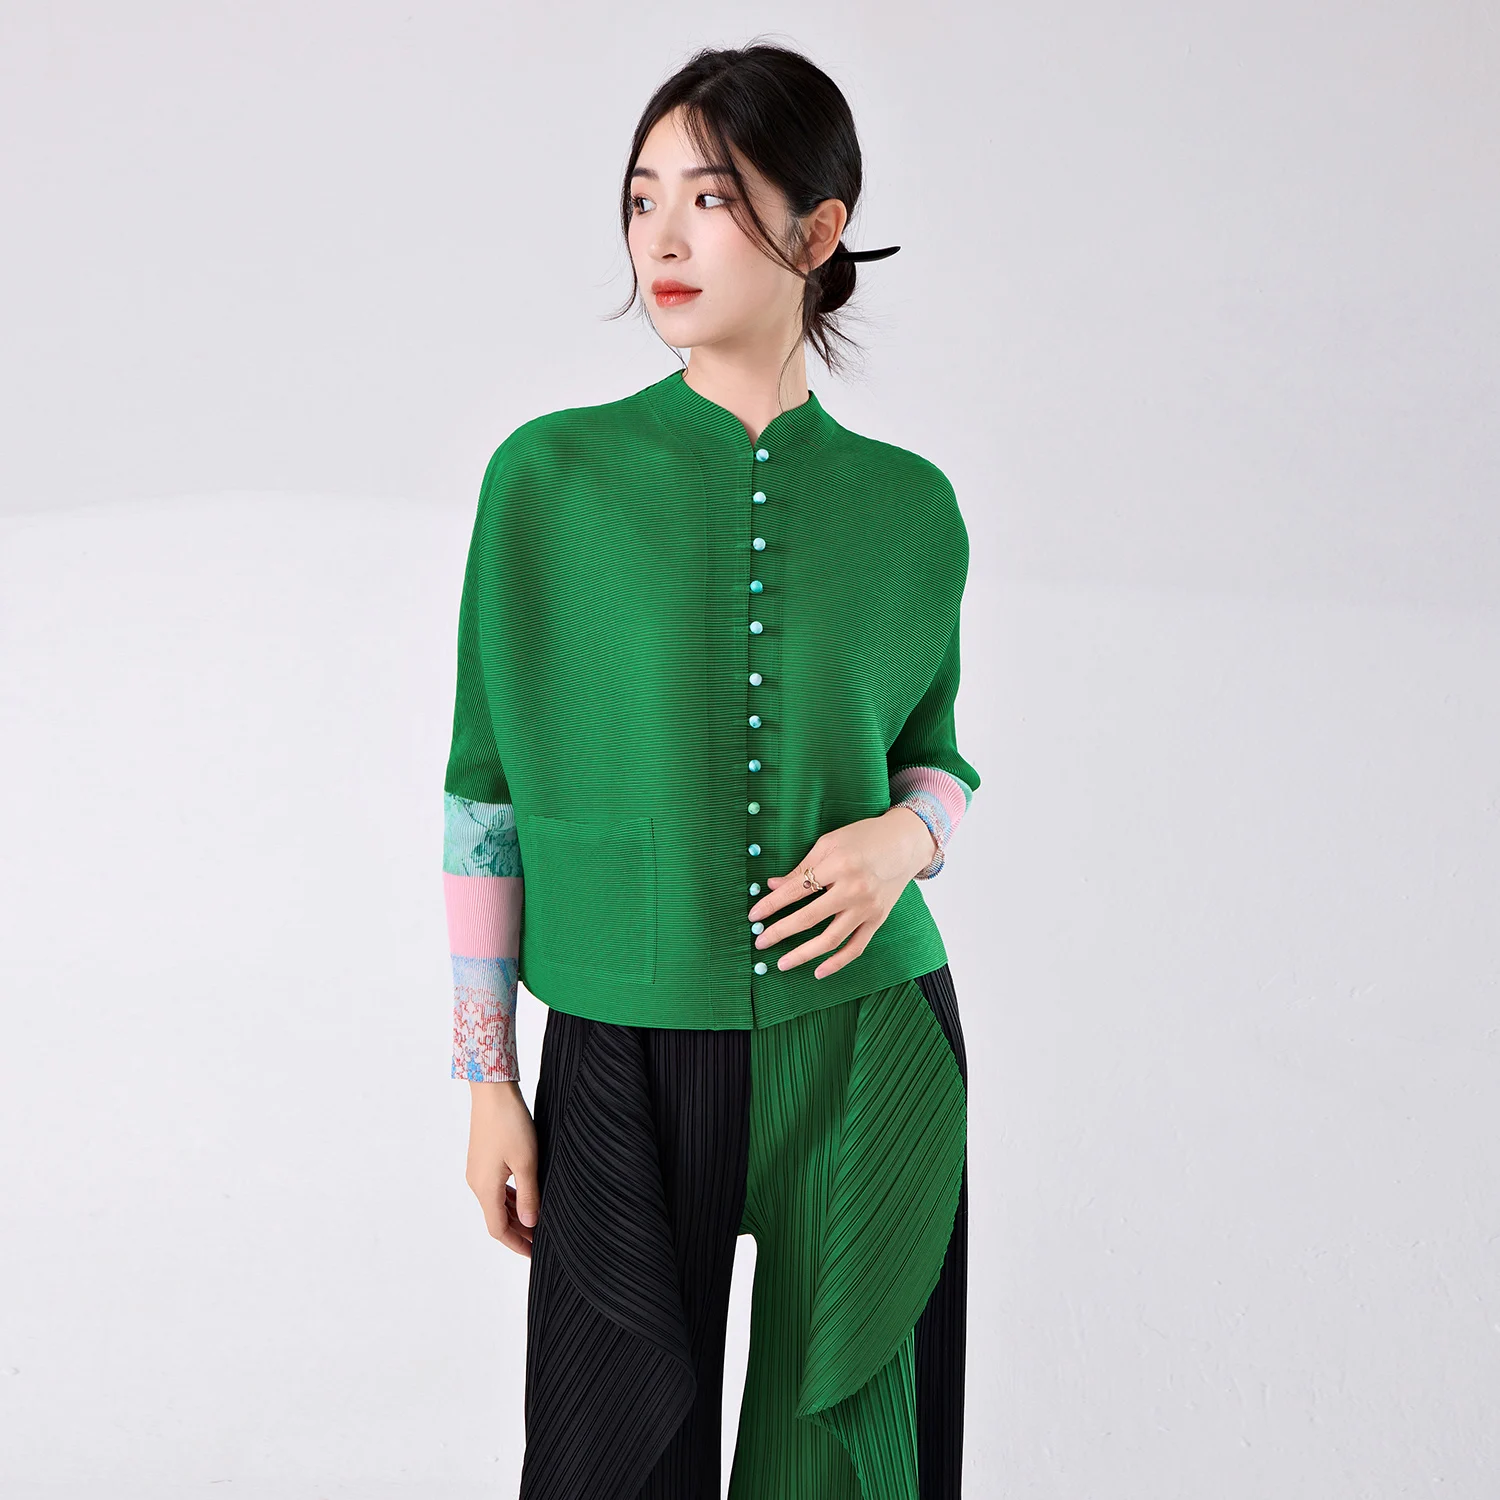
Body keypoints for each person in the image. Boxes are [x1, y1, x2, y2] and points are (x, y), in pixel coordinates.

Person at [441, 41, 981, 1500]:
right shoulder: (547, 480)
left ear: (818, 228)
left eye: (713, 198)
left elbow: (935, 765)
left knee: (853, 1472)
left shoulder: (914, 510)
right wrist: (489, 1078)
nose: (663, 240)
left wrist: (906, 844)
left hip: (868, 1042)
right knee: (609, 1460)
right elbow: (483, 796)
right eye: (642, 199)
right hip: (622, 1043)